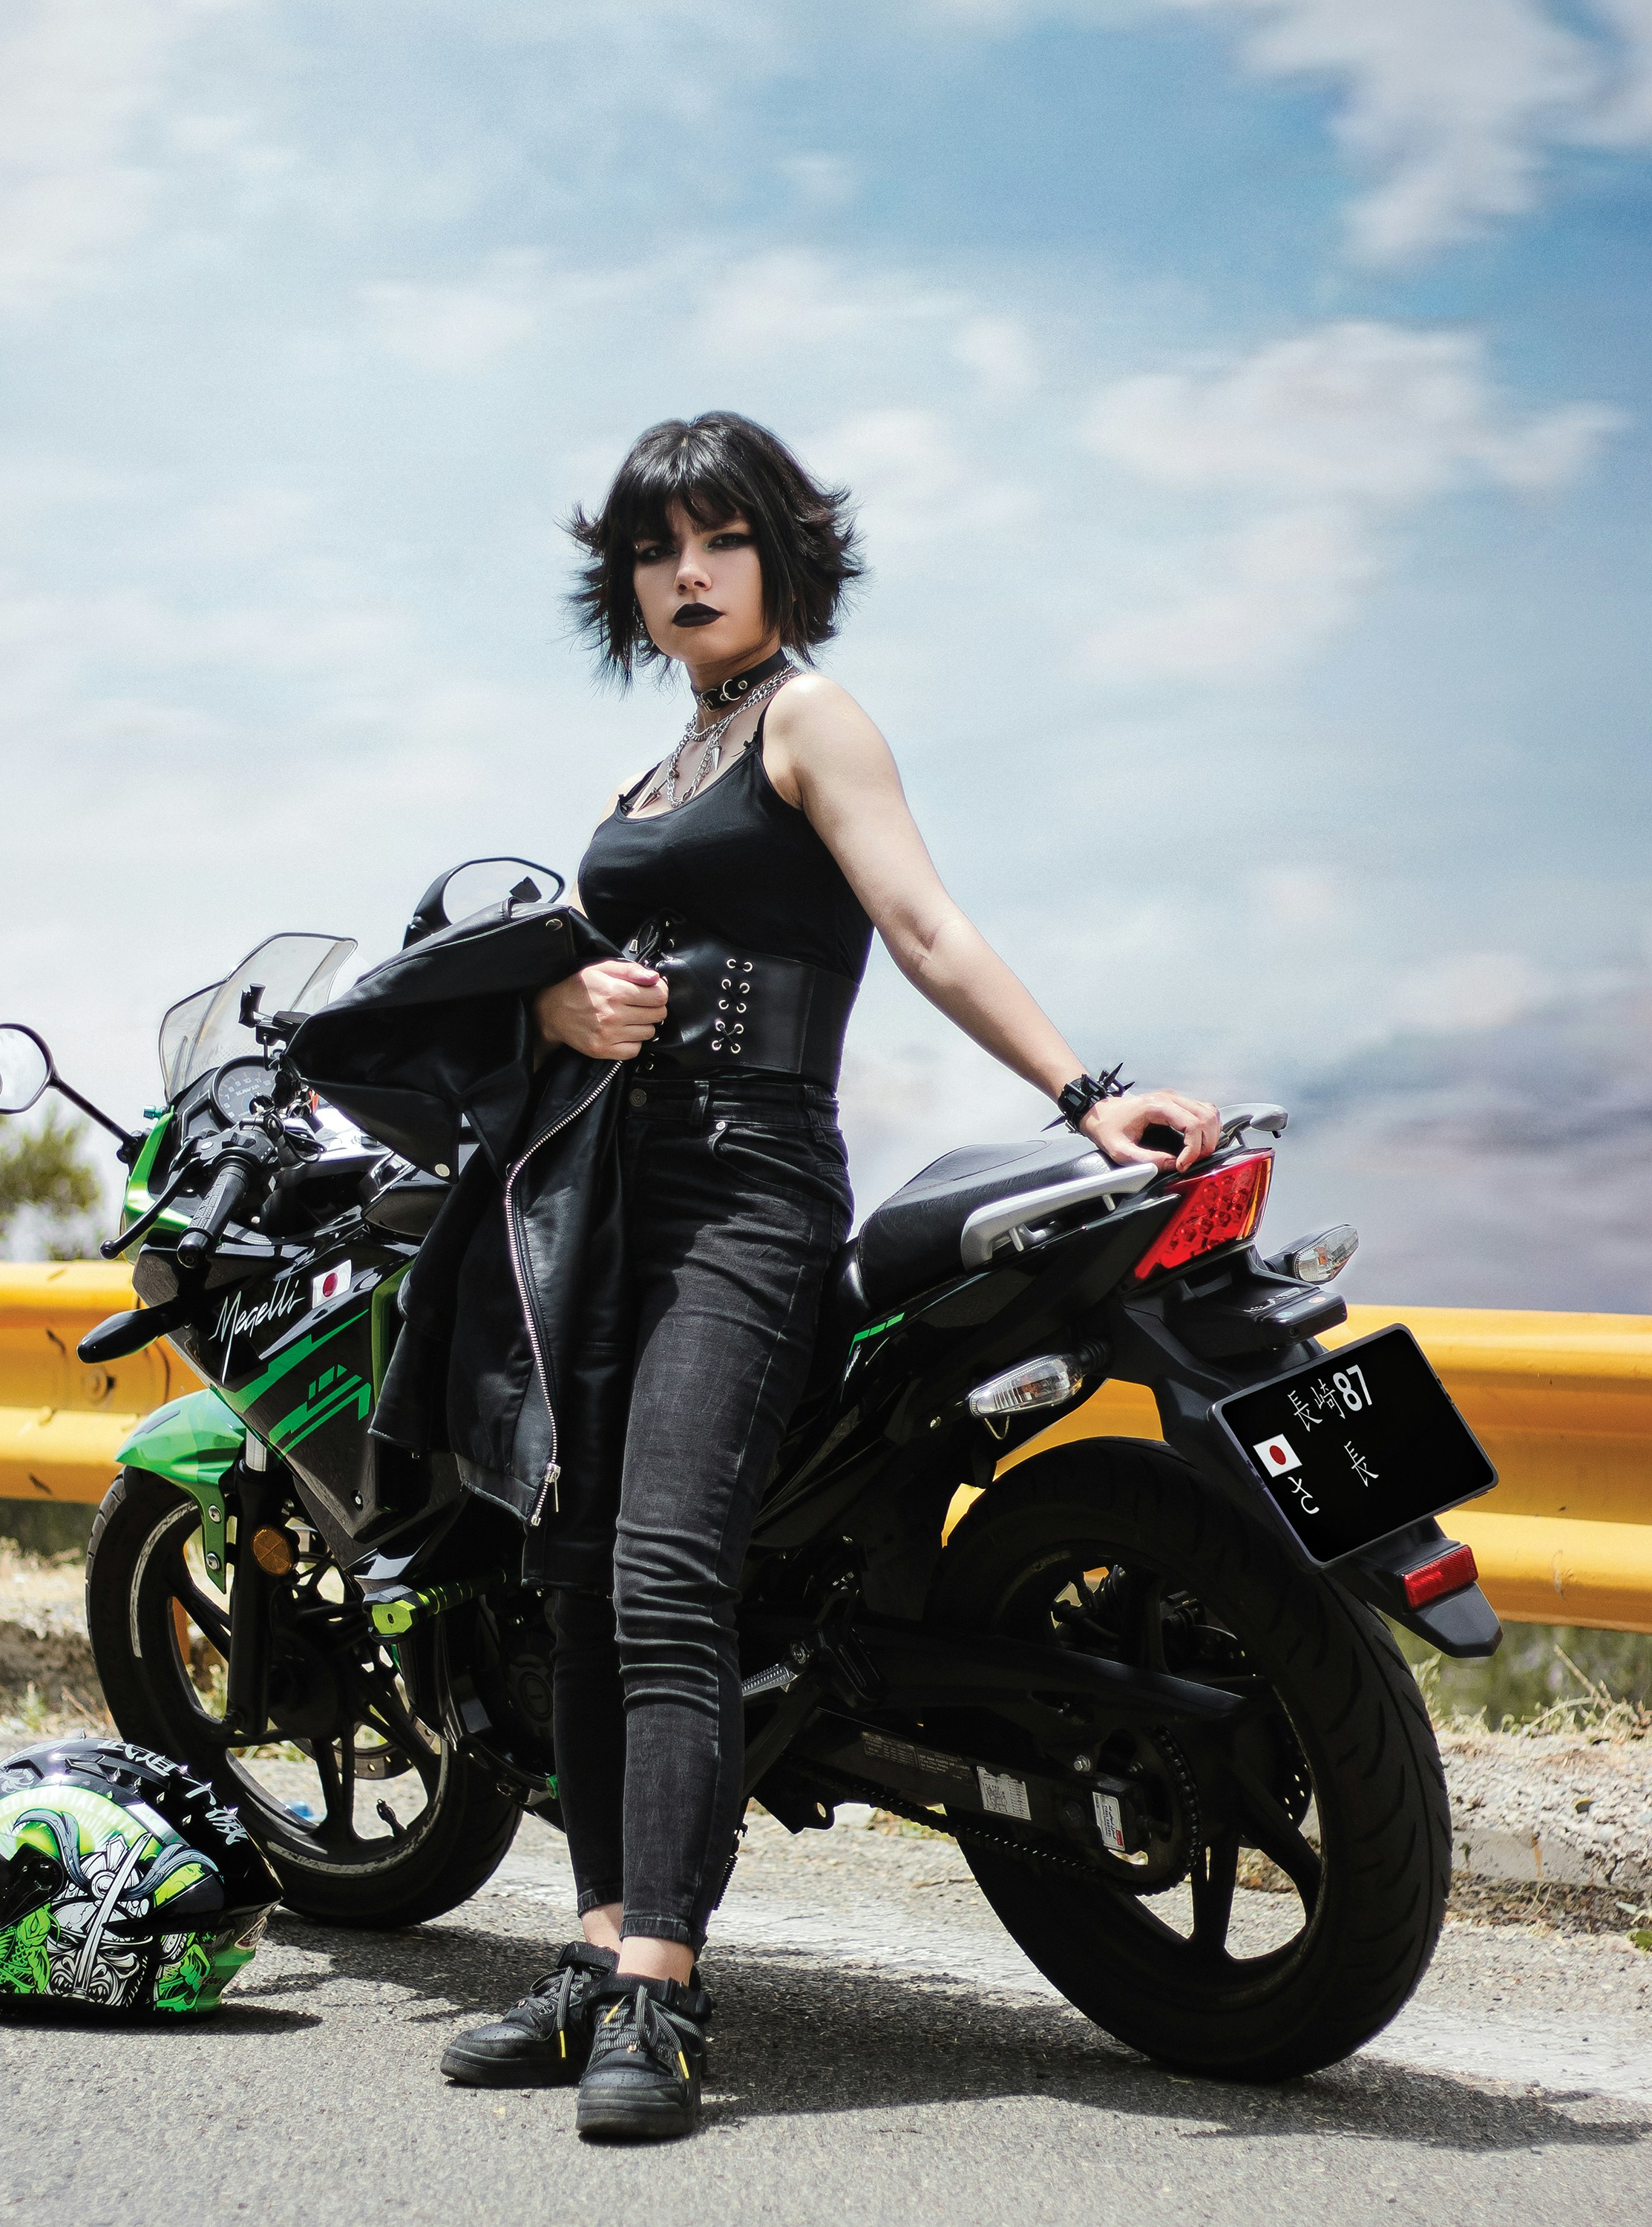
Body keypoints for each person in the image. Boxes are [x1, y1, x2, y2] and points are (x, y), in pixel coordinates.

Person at [441, 411, 1221, 2140]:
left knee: (662, 1572)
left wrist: (1090, 1096)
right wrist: (563, 1008)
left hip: (749, 1192)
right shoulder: (653, 772)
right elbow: (591, 975)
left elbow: (924, 924)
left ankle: (661, 1983)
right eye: (655, 550)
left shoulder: (808, 718)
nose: (686, 573)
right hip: (611, 1202)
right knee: (574, 1573)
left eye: (719, 538)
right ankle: (591, 1952)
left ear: (785, 557)